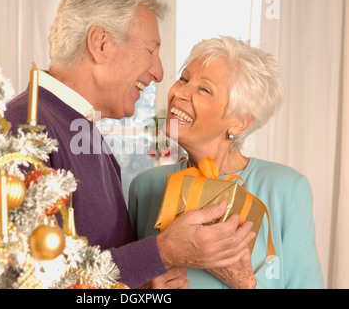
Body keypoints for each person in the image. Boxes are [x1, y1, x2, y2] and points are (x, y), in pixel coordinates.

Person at [5, 0, 254, 289]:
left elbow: (95, 270)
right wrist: (161, 252)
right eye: (151, 51)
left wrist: (144, 286)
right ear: (101, 44)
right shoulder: (22, 128)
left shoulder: (83, 132)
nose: (159, 73)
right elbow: (31, 279)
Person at [128, 36, 325, 289]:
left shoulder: (287, 189)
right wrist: (144, 290)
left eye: (204, 89)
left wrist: (244, 282)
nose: (179, 92)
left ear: (239, 121)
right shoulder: (145, 187)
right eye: (184, 79)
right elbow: (110, 284)